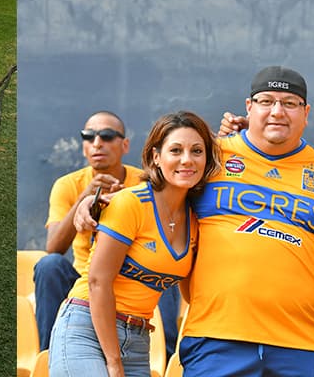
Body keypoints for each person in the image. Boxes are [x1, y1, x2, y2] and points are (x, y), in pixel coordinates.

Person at [177, 67, 314, 376]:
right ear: (249, 107)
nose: (277, 111)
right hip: (216, 337)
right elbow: (153, 197)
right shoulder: (210, 155)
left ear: (306, 112)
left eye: (289, 103)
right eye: (266, 101)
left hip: (300, 344)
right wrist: (93, 203)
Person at [48, 112, 219, 377]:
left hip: (139, 341)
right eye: (176, 150)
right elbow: (97, 282)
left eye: (197, 151)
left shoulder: (198, 218)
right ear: (156, 157)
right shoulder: (131, 203)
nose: (187, 159)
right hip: (87, 329)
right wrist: (114, 362)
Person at [35, 112, 146, 351]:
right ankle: (48, 355)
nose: (97, 143)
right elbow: (54, 247)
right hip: (83, 280)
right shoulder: (68, 185)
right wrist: (86, 196)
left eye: (107, 136)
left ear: (125, 145)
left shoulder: (144, 182)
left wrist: (124, 199)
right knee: (49, 265)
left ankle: (168, 356)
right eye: (89, 136)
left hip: (132, 280)